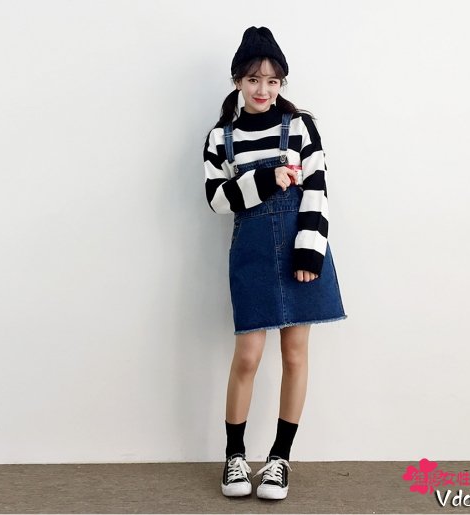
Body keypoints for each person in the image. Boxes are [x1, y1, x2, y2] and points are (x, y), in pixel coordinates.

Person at [203, 26, 347, 500]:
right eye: (253, 80)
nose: (262, 89)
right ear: (237, 81)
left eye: (272, 80)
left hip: (300, 251)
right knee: (247, 356)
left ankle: (279, 460)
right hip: (251, 253)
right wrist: (266, 180)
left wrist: (309, 251)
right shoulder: (220, 137)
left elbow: (317, 188)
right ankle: (235, 457)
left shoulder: (300, 127)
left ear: (282, 82)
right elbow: (217, 200)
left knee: (294, 354)